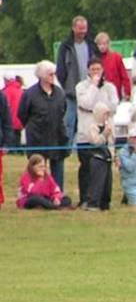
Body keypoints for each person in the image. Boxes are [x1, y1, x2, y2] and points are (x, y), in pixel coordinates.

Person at [18, 61, 68, 189]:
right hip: (37, 138)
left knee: (58, 167)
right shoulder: (29, 94)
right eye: (50, 74)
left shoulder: (60, 93)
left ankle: (57, 194)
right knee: (37, 169)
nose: (53, 76)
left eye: (54, 74)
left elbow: (63, 111)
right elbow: (22, 114)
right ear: (41, 76)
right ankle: (36, 193)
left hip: (57, 137)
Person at [76, 57, 119, 206]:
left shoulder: (110, 87)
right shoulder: (81, 87)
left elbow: (113, 106)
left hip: (105, 131)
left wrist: (99, 108)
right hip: (86, 133)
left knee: (104, 168)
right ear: (88, 70)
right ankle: (86, 199)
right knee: (87, 168)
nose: (96, 72)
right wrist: (93, 86)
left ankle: (103, 199)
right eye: (93, 69)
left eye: (98, 69)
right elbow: (85, 102)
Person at [55, 15, 100, 147]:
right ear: (74, 28)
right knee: (69, 122)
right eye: (80, 28)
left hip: (90, 91)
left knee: (91, 121)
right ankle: (67, 148)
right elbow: (61, 70)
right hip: (71, 93)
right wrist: (67, 86)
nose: (83, 31)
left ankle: (89, 146)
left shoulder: (91, 45)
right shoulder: (66, 47)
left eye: (84, 28)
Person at [85, 103, 115, 211]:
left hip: (107, 158)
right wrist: (104, 135)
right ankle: (93, 203)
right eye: (104, 114)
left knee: (107, 183)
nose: (106, 117)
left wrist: (113, 155)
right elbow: (95, 142)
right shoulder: (92, 127)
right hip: (97, 158)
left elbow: (111, 143)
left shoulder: (109, 126)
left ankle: (105, 203)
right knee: (97, 182)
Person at [95, 32, 132, 101]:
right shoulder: (94, 59)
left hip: (115, 94)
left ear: (108, 44)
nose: (102, 46)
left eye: (104, 44)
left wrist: (127, 92)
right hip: (99, 95)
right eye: (99, 44)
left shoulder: (116, 57)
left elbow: (124, 76)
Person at [2, 74, 24, 148]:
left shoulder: (5, 91)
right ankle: (18, 150)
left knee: (10, 136)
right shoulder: (20, 90)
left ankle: (12, 150)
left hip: (10, 118)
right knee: (17, 135)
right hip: (19, 118)